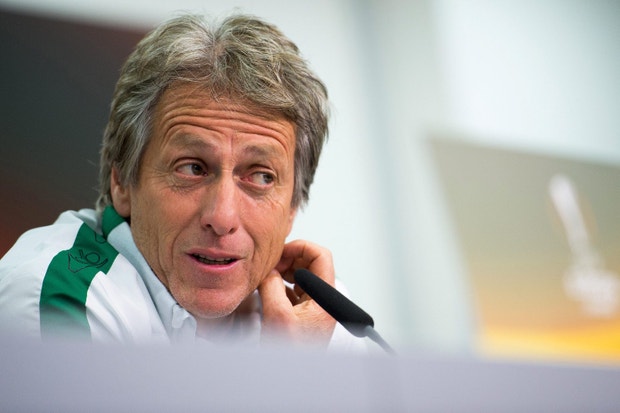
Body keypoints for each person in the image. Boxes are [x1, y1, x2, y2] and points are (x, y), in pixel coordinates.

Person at [0, 13, 365, 351]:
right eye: (192, 168)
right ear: (122, 182)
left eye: (260, 176)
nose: (222, 218)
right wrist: (293, 371)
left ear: (292, 208)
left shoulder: (317, 317)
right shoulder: (60, 294)